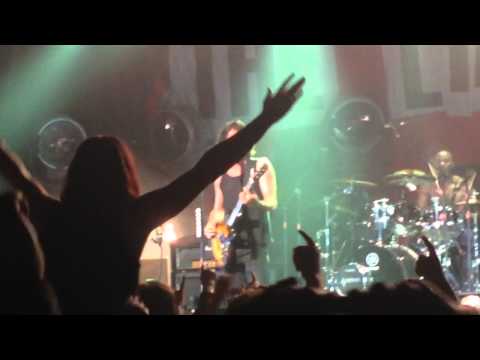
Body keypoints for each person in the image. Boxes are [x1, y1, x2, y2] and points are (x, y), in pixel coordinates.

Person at [0, 75, 305, 314]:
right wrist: (265, 120)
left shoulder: (54, 215)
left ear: (76, 172)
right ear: (124, 175)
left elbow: (17, 174)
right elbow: (205, 170)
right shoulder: (134, 218)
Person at [203, 120, 278, 286]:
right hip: (229, 248)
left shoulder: (260, 165)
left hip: (256, 246)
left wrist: (255, 202)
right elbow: (218, 210)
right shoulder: (220, 174)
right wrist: (210, 225)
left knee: (260, 295)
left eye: (239, 140)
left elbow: (272, 202)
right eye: (231, 142)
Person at [417, 150, 477, 292]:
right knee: (425, 246)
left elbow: (466, 203)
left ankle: (466, 285)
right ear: (433, 163)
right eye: (441, 161)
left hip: (457, 226)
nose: (444, 164)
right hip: (435, 228)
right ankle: (439, 284)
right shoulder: (427, 183)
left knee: (468, 239)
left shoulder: (458, 181)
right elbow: (420, 209)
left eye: (447, 161)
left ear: (453, 163)